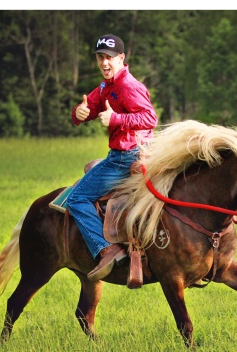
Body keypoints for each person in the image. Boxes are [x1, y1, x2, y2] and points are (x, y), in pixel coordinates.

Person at [69, 33, 157, 280]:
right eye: (100, 57)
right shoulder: (105, 86)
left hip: (125, 158)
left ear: (121, 58)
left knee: (76, 198)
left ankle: (106, 249)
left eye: (109, 57)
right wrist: (80, 112)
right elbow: (87, 108)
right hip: (134, 154)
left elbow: (150, 118)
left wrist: (116, 119)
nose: (104, 63)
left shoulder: (128, 86)